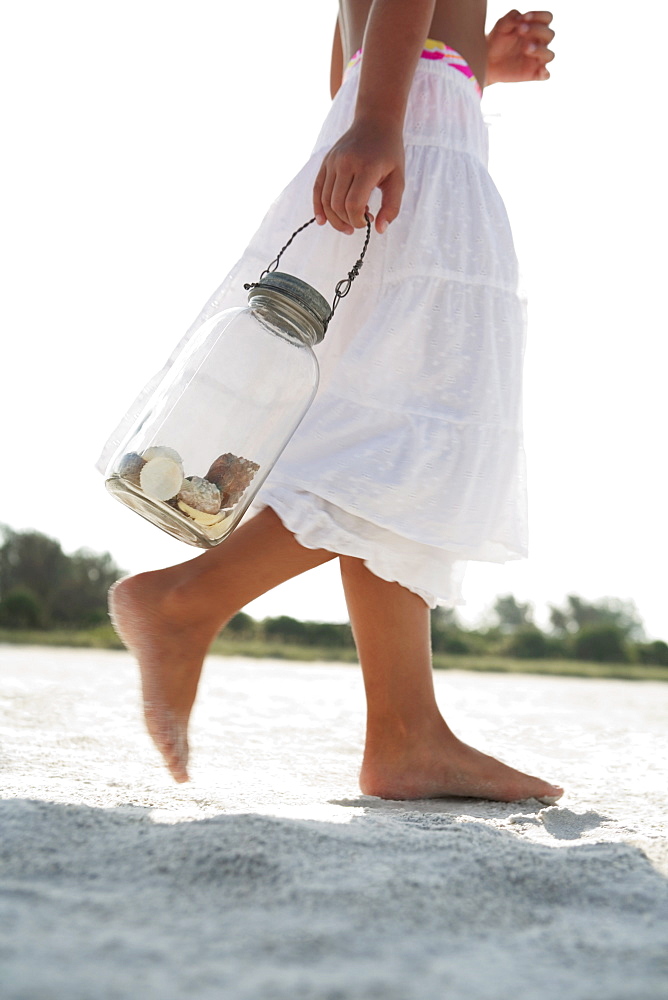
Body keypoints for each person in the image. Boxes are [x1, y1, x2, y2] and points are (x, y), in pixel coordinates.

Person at [107, 1, 563, 803]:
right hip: (409, 132)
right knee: (425, 433)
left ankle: (405, 736)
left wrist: (463, 72)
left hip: (403, 116)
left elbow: (350, 51)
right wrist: (389, 115)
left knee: (395, 426)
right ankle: (187, 601)